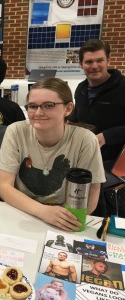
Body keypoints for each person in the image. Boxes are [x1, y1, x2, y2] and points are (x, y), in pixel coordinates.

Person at [0, 78, 105, 231]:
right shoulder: (16, 131)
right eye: (33, 106)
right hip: (24, 213)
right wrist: (44, 211)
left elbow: (91, 196)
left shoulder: (85, 140)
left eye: (48, 105)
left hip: (65, 219)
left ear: (68, 109)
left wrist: (65, 219)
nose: (39, 112)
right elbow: (3, 186)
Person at [69, 39, 125, 216]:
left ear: (108, 60)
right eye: (89, 62)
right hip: (84, 158)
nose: (94, 66)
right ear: (81, 64)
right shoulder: (81, 89)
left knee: (102, 211)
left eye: (99, 60)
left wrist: (106, 136)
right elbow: (76, 118)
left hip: (114, 163)